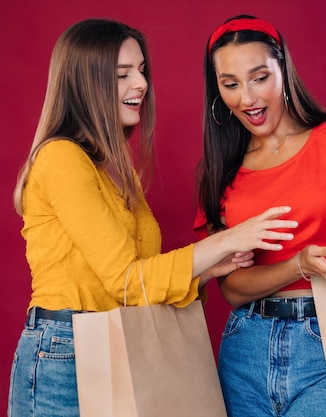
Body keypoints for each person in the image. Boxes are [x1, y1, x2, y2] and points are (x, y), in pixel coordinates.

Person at [8, 18, 297, 417]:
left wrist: (211, 267)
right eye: (123, 73)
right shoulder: (61, 159)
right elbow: (125, 280)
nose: (141, 84)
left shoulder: (114, 167)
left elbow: (138, 281)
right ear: (85, 83)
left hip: (116, 344)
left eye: (141, 70)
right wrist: (225, 240)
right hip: (65, 354)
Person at [194, 15, 326, 416]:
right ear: (217, 91)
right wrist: (298, 264)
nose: (247, 98)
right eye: (231, 84)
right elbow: (233, 289)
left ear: (283, 70)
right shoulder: (220, 171)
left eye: (260, 77)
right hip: (246, 348)